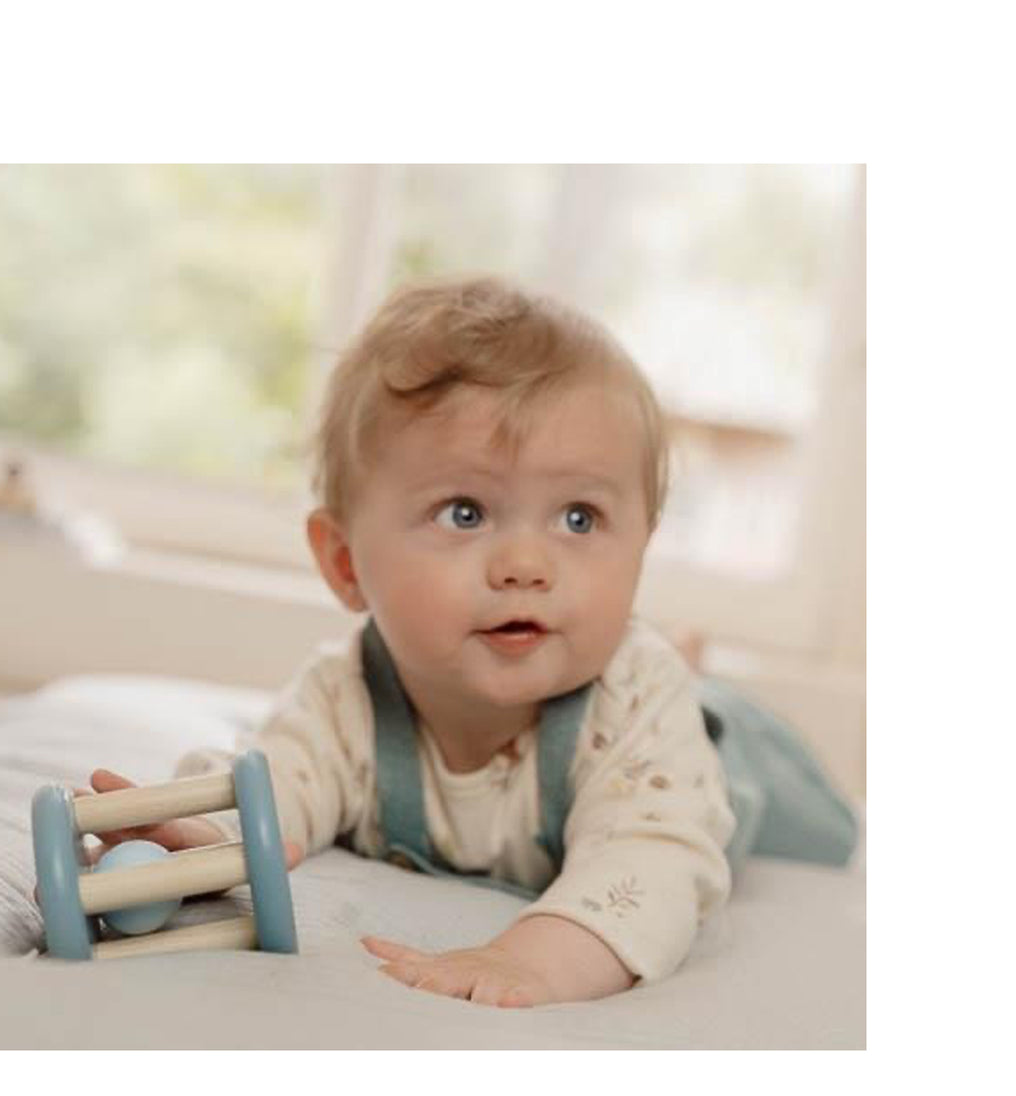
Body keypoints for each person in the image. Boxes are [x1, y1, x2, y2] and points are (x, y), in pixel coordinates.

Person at [83, 276, 737, 1007]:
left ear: (643, 547)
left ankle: (692, 663)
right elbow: (281, 781)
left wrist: (531, 962)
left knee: (718, 744)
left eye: (578, 518)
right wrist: (198, 835)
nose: (525, 565)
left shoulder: (636, 702)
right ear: (344, 564)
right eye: (465, 513)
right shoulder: (347, 696)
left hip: (690, 759)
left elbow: (654, 858)